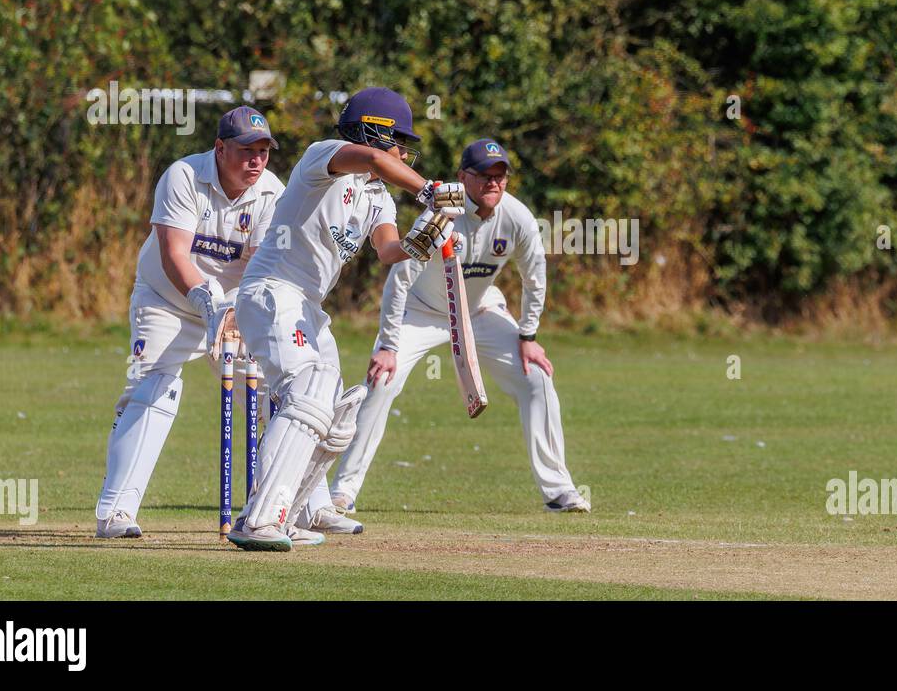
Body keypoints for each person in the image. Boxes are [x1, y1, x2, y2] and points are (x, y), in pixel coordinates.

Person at [226, 87, 465, 552]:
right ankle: (257, 520)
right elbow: (376, 162)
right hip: (272, 291)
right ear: (375, 132)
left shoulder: (378, 199)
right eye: (399, 142)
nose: (404, 154)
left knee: (338, 417)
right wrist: (430, 190)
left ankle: (290, 516)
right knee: (311, 392)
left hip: (309, 307)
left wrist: (426, 237)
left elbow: (389, 251)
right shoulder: (324, 156)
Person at [329, 138, 589, 516]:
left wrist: (528, 336)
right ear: (462, 177)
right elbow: (400, 280)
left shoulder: (517, 217)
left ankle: (559, 491)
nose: (493, 184)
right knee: (381, 381)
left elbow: (535, 278)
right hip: (423, 310)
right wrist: (387, 345)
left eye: (500, 176)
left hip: (480, 310)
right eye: (484, 176)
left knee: (537, 379)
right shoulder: (442, 214)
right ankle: (342, 492)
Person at [95, 106, 283, 538]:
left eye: (263, 151)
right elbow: (174, 254)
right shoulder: (183, 175)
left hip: (234, 308)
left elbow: (259, 267)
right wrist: (208, 303)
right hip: (166, 300)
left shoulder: (273, 194)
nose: (255, 161)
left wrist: (232, 308)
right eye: (245, 151)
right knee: (153, 390)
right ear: (219, 148)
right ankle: (115, 513)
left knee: (273, 392)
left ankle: (286, 507)